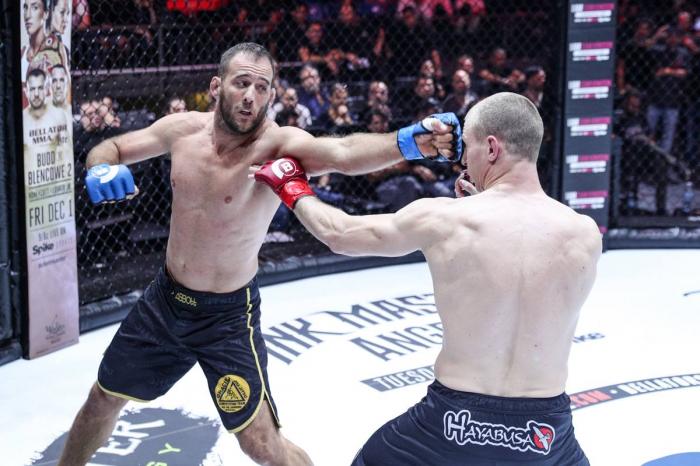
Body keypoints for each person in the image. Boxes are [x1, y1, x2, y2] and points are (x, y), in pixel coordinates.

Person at [57, 42, 460, 466]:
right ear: (217, 87)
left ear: (271, 95)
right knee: (102, 399)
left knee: (262, 444)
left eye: (262, 87)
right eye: (242, 83)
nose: (251, 96)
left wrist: (406, 143)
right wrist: (99, 167)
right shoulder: (182, 130)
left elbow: (343, 154)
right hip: (166, 302)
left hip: (227, 317)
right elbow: (112, 147)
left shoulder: (278, 145)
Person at [253, 92, 601, 465]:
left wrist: (291, 185)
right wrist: (481, 200)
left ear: (491, 148)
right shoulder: (584, 233)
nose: (464, 161)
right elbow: (519, 244)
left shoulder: (446, 220)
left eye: (467, 147)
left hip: (451, 425)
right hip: (544, 435)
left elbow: (340, 234)